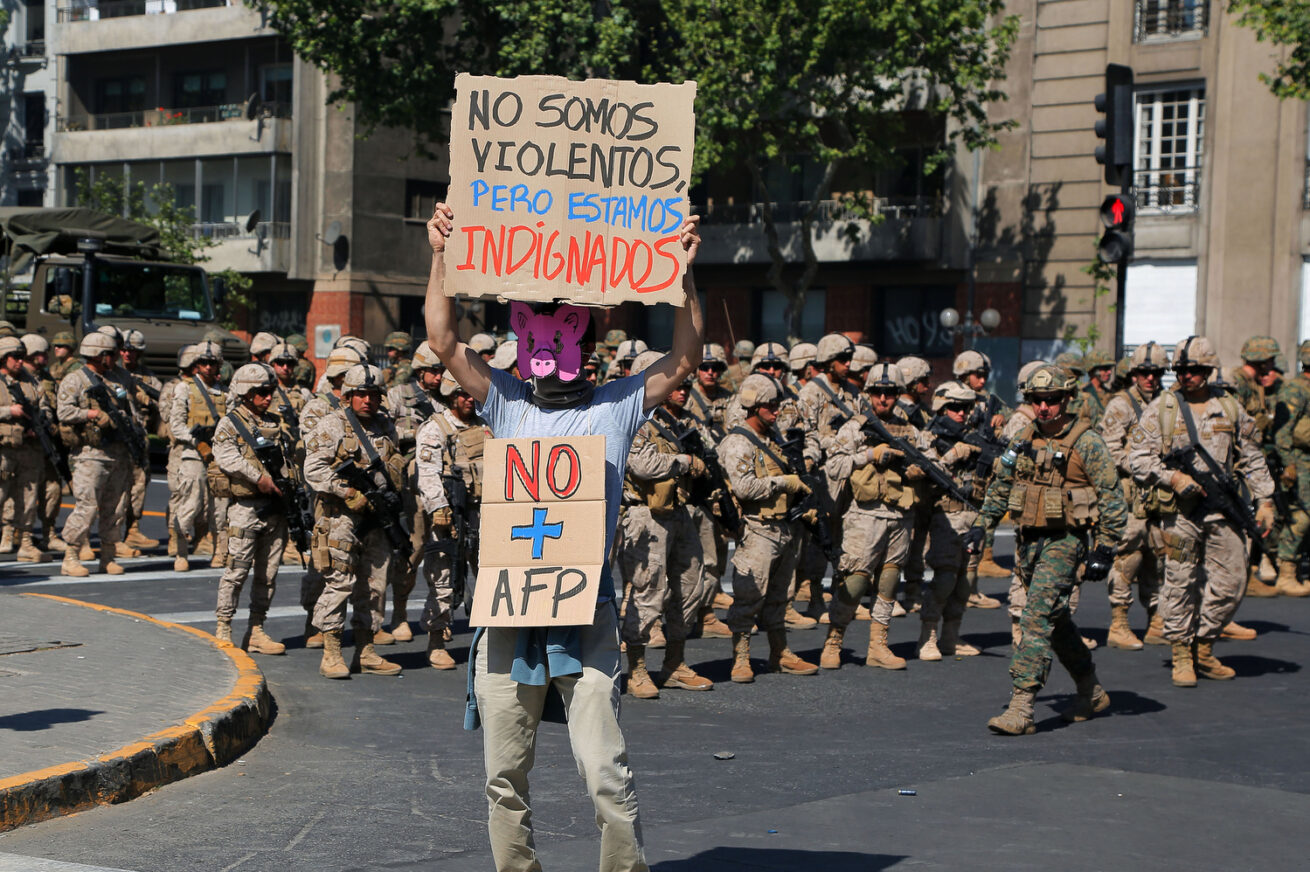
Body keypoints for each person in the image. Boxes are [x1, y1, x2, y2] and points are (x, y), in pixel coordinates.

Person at [426, 200, 703, 872]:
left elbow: (686, 360)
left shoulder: (617, 406)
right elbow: (441, 341)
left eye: (573, 341)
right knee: (504, 777)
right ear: (528, 344)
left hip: (586, 610)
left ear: (591, 348)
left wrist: (686, 277)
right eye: (547, 341)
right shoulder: (506, 401)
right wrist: (440, 254)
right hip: (510, 611)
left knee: (606, 774)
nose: (561, 354)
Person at [969, 365, 1126, 734]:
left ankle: (1021, 707)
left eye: (1052, 400)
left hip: (1065, 543)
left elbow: (1112, 497)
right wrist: (982, 526)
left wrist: (1104, 548)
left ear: (1066, 399)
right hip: (1028, 543)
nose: (1044, 408)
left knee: (1035, 618)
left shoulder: (1087, 442)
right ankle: (1091, 688)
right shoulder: (1022, 437)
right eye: (1037, 401)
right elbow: (1002, 484)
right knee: (1057, 623)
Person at [1129, 336, 1275, 686]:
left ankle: (1204, 644)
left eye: (1194, 369)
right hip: (1179, 512)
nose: (1186, 375)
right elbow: (1137, 458)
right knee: (1179, 582)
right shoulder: (1163, 408)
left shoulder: (1229, 408)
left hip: (1221, 509)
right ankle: (1182, 654)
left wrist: (1265, 499)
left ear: (1208, 370)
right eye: (1181, 370)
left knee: (1233, 580)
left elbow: (1252, 456)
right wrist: (1173, 477)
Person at [819, 362, 933, 670]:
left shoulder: (909, 429)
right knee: (854, 582)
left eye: (891, 393)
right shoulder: (856, 427)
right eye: (878, 393)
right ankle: (834, 640)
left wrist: (918, 469)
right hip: (864, 515)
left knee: (889, 580)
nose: (884, 399)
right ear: (869, 393)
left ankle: (878, 645)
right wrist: (868, 455)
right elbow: (834, 467)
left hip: (900, 514)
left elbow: (932, 461)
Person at [618, 350, 714, 699]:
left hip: (680, 511)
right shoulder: (632, 418)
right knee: (647, 591)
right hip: (646, 516)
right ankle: (638, 669)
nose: (682, 389)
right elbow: (641, 465)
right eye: (673, 381)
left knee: (690, 587)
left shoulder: (682, 421)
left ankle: (675, 663)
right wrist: (685, 462)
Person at [304, 363, 406, 679]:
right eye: (360, 394)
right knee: (339, 584)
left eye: (373, 394)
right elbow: (313, 469)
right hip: (341, 519)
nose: (367, 400)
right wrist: (346, 490)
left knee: (373, 586)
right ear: (348, 395)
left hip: (375, 519)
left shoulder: (385, 427)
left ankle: (366, 651)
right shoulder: (332, 426)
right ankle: (332, 654)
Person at [719, 374, 821, 681]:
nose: (775, 411)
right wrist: (782, 482)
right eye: (769, 406)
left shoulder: (772, 439)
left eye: (777, 404)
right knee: (749, 596)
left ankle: (780, 652)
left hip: (783, 527)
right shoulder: (738, 442)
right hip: (756, 528)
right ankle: (741, 657)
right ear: (753, 407)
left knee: (779, 596)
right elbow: (743, 487)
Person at [211, 363, 290, 655]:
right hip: (246, 508)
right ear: (245, 392)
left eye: (270, 391)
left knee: (267, 575)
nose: (268, 397)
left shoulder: (274, 423)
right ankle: (223, 628)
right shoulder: (230, 424)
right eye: (261, 392)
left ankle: (256, 630)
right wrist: (259, 478)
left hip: (274, 509)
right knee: (236, 571)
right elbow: (226, 456)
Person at [1097, 341, 1170, 648]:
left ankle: (1157, 620)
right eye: (1143, 372)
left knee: (1159, 556)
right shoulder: (1121, 405)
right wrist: (1143, 466)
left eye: (1155, 373)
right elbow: (1110, 450)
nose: (1149, 378)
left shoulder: (1169, 403)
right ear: (1134, 373)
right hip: (1130, 496)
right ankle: (1119, 624)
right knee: (1129, 556)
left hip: (1161, 495)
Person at [57, 332, 144, 577]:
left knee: (115, 507)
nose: (117, 357)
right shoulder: (75, 380)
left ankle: (108, 556)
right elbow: (63, 411)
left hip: (118, 452)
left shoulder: (121, 377)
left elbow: (132, 407)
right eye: (112, 354)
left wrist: (133, 427)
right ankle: (71, 556)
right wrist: (91, 415)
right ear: (99, 354)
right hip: (90, 454)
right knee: (87, 506)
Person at [919, 380, 986, 660]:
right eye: (955, 408)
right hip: (946, 515)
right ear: (942, 408)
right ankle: (928, 637)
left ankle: (951, 637)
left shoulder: (975, 436)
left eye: (966, 408)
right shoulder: (928, 437)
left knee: (964, 582)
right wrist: (952, 455)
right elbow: (923, 471)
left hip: (974, 514)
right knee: (945, 578)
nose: (962, 413)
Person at [168, 341, 226, 572]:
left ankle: (219, 551)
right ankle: (181, 552)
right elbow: (176, 424)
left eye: (212, 363)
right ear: (196, 365)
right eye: (204, 362)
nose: (208, 367)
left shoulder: (224, 392)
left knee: (220, 507)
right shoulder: (185, 388)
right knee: (189, 503)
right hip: (193, 454)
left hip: (218, 455)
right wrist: (197, 442)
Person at [0, 336, 54, 563]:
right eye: (15, 357)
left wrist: (41, 423)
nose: (20, 362)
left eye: (22, 357)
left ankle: (26, 543)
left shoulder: (31, 382)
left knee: (29, 499)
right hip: (3, 450)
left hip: (29, 450)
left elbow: (46, 408)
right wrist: (8, 411)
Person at [1272, 339, 1310, 597]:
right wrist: (1289, 465)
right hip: (1299, 461)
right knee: (1300, 515)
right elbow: (1283, 432)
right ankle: (1286, 572)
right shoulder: (1295, 389)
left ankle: (1292, 571)